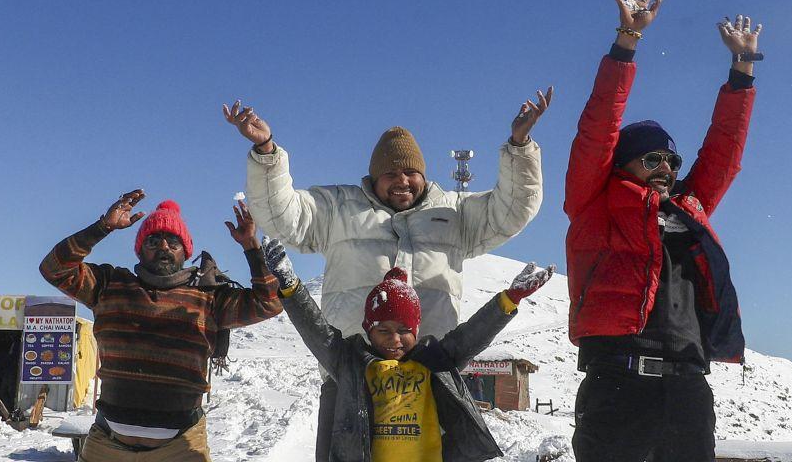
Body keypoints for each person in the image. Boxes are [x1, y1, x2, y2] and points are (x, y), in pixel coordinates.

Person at [222, 87, 550, 460]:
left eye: (411, 172)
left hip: (433, 375)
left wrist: (520, 146)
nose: (402, 181)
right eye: (391, 173)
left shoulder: (455, 213)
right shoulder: (338, 209)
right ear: (374, 176)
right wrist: (266, 152)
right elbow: (282, 214)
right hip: (350, 372)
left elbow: (512, 209)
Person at [564, 0, 763, 462]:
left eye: (672, 162)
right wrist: (626, 44)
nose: (666, 170)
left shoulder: (686, 209)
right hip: (617, 385)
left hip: (688, 391)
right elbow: (598, 129)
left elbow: (722, 154)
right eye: (652, 159)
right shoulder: (594, 202)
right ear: (623, 164)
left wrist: (742, 72)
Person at [260, 234, 554, 462]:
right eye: (383, 331)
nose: (394, 339)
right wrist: (290, 286)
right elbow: (317, 332)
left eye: (404, 331)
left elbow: (473, 335)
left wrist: (509, 299)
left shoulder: (434, 360)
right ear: (368, 330)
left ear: (416, 330)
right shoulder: (350, 361)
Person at [40, 190, 282, 461]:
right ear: (140, 249)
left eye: (173, 242)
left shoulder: (209, 299)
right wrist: (102, 227)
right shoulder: (109, 285)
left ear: (185, 251)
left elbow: (269, 303)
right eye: (154, 240)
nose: (164, 247)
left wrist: (251, 246)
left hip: (180, 448)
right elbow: (53, 269)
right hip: (108, 446)